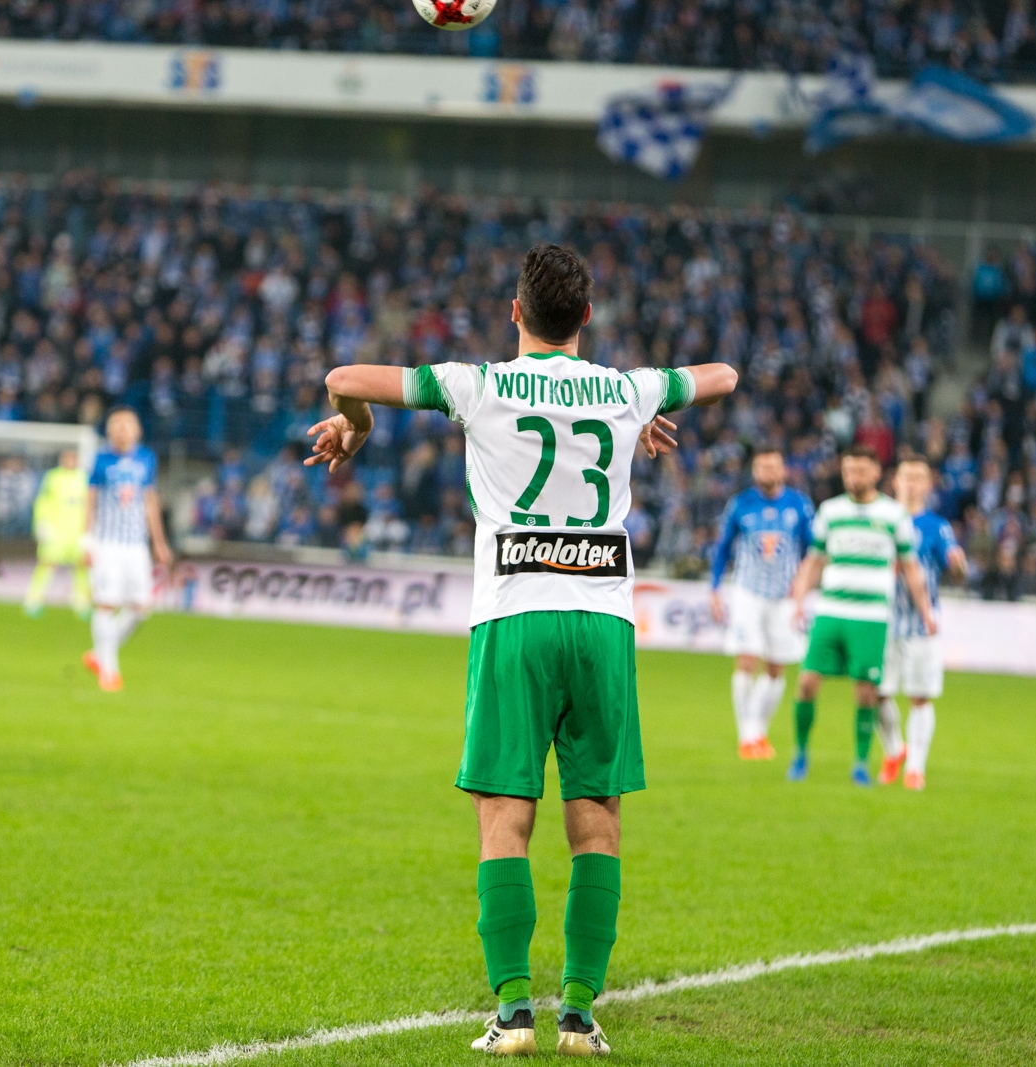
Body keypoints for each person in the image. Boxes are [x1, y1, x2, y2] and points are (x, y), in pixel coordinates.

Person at [302, 243, 737, 1057]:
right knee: (597, 817)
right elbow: (722, 376)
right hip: (604, 621)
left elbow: (343, 378)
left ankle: (512, 1015)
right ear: (587, 316)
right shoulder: (624, 387)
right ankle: (579, 1013)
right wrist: (639, 409)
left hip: (514, 612)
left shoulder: (479, 383)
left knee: (505, 816)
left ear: (515, 312)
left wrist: (353, 430)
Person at [786, 443, 935, 786]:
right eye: (848, 470)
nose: (853, 476)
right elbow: (815, 560)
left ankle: (860, 763)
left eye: (860, 470)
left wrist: (925, 609)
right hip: (830, 610)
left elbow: (911, 568)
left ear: (876, 473)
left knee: (867, 689)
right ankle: (800, 754)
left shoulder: (893, 516)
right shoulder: (830, 511)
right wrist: (798, 600)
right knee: (807, 682)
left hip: (870, 615)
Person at [708, 449, 814, 760]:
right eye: (762, 466)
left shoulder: (800, 505)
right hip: (747, 593)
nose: (767, 471)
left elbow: (812, 550)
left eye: (773, 466)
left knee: (776, 668)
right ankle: (747, 735)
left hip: (784, 596)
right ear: (755, 470)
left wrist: (803, 588)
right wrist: (714, 588)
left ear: (783, 470)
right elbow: (722, 548)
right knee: (746, 661)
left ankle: (759, 731)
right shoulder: (740, 503)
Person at [873, 455, 966, 791]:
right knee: (875, 694)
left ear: (927, 485)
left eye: (918, 477)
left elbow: (954, 566)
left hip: (921, 625)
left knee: (919, 696)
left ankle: (915, 767)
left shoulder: (937, 526)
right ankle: (895, 750)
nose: (911, 483)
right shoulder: (879, 518)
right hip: (880, 620)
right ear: (894, 481)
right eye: (905, 476)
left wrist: (959, 565)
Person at [81, 408, 172, 692]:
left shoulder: (146, 459)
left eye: (127, 424)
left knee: (141, 608)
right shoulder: (100, 460)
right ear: (109, 431)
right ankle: (109, 671)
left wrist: (158, 542)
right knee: (106, 603)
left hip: (136, 545)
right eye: (116, 425)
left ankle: (98, 655)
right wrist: (86, 539)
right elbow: (90, 500)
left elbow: (149, 501)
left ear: (137, 431)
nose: (122, 429)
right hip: (107, 543)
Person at [24, 448, 91, 618]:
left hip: (77, 531)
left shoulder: (84, 478)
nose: (70, 461)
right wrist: (41, 523)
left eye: (73, 458)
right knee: (47, 563)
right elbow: (42, 501)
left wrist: (90, 531)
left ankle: (81, 602)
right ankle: (34, 599)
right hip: (56, 530)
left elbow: (91, 505)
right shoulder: (52, 477)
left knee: (82, 566)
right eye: (67, 458)